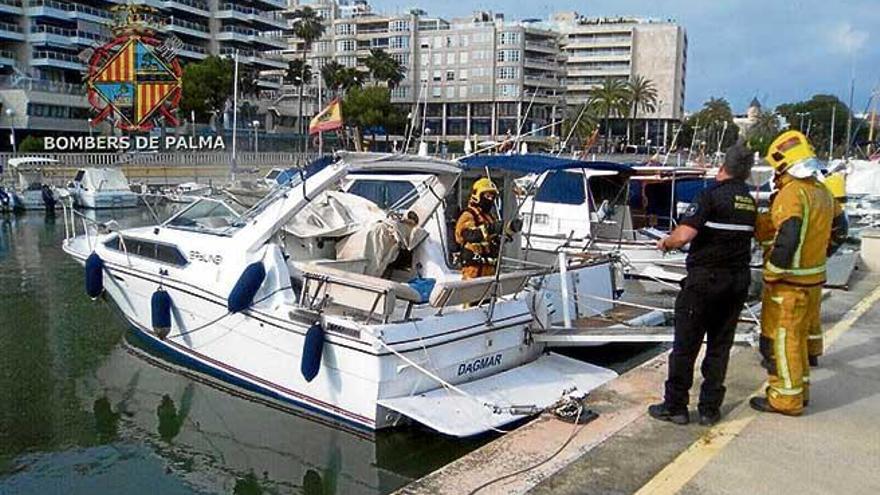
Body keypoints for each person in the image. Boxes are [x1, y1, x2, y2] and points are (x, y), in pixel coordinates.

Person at [648, 143, 757, 426]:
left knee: (686, 345)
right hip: (736, 282)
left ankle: (676, 407)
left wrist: (666, 243)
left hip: (704, 282)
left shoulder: (710, 196)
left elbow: (683, 235)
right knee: (720, 347)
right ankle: (709, 409)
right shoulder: (749, 201)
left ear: (723, 166)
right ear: (746, 172)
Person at [751, 131, 844, 416]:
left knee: (784, 340)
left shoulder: (792, 193)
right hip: (813, 279)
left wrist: (773, 271)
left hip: (789, 284)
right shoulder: (823, 192)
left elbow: (789, 234)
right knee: (799, 339)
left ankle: (785, 398)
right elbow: (842, 229)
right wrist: (819, 255)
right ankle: (800, 390)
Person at [455, 177, 503, 280]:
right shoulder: (468, 215)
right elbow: (469, 235)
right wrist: (491, 228)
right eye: (487, 196)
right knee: (470, 294)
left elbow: (493, 239)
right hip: (473, 269)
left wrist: (508, 230)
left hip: (489, 270)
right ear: (478, 195)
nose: (490, 199)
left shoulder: (490, 217)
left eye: (492, 197)